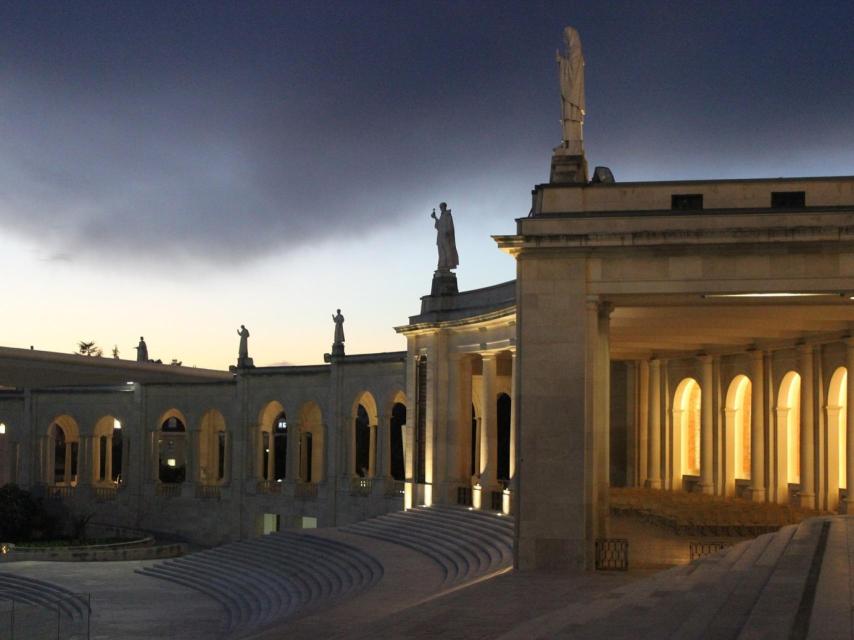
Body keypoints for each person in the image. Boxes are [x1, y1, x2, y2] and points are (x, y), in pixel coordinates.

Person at [431, 202, 459, 270]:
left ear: (445, 207)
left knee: (447, 250)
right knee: (441, 251)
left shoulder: (447, 214)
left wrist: (448, 231)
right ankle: (442, 264)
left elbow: (450, 224)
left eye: (442, 207)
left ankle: (448, 264)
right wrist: (435, 218)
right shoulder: (442, 216)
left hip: (446, 236)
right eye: (440, 207)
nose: (441, 208)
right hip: (440, 236)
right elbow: (439, 226)